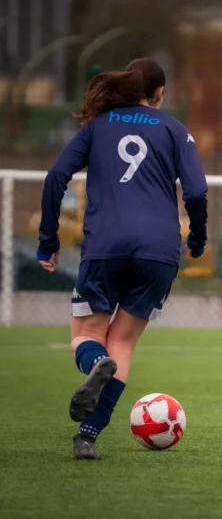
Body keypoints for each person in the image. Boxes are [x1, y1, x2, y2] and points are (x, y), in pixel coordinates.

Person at [36, 58, 208, 460]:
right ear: (160, 93)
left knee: (86, 336)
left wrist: (48, 241)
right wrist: (198, 240)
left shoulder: (96, 127)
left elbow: (56, 177)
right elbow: (197, 192)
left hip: (106, 245)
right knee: (123, 343)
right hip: (159, 251)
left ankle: (96, 362)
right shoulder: (176, 130)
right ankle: (87, 436)